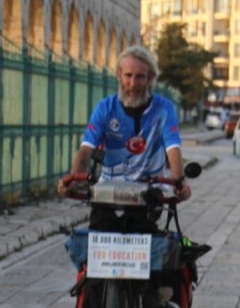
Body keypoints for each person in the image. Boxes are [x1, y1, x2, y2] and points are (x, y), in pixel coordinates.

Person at [57, 45, 191, 231]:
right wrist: (74, 180)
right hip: (109, 190)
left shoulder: (164, 109)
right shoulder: (105, 108)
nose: (133, 83)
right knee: (96, 239)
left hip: (148, 191)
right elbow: (86, 150)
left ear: (150, 78)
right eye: (128, 75)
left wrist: (179, 182)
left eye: (140, 77)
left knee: (146, 240)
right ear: (119, 75)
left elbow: (173, 149)